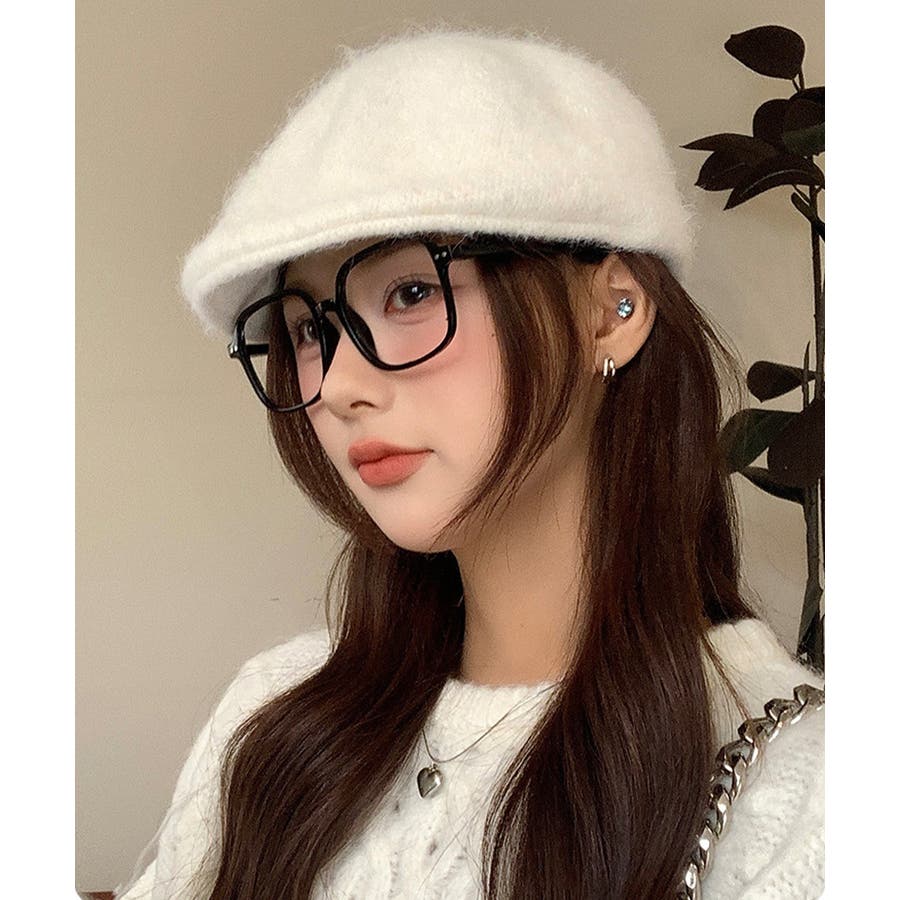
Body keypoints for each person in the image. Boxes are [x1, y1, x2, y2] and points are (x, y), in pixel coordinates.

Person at [115, 25, 825, 900]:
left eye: (410, 292)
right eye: (307, 330)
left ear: (612, 310)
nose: (339, 385)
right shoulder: (274, 718)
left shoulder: (804, 792)